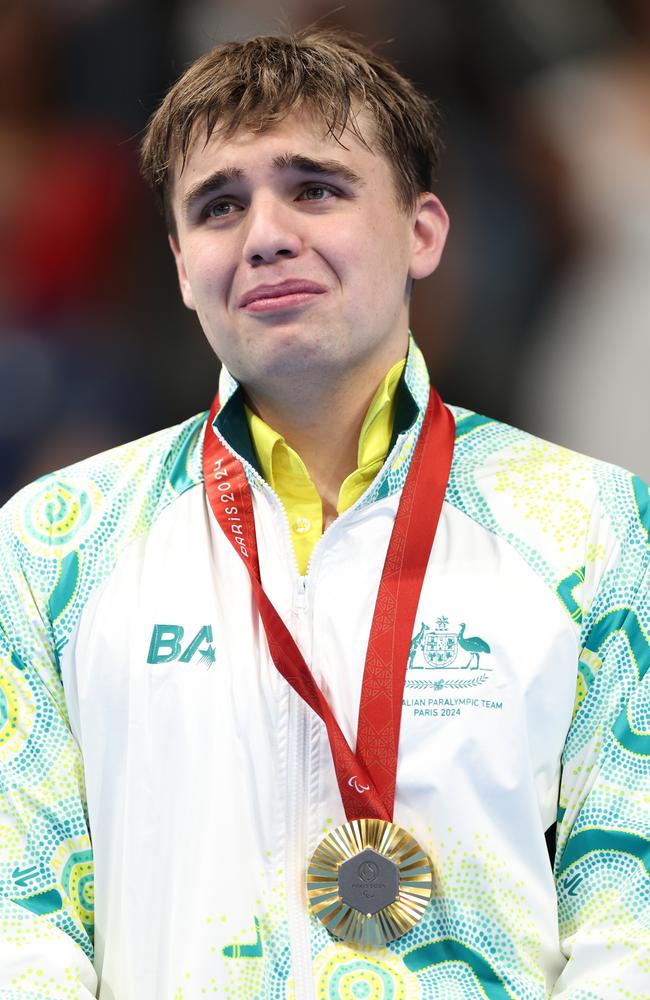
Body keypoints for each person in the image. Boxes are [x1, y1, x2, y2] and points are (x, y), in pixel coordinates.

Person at [0, 29, 648, 1000]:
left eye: (315, 189)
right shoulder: (52, 543)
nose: (264, 233)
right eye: (219, 205)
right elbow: (25, 923)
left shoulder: (594, 526)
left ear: (422, 232)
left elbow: (625, 911)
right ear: (181, 266)